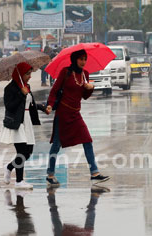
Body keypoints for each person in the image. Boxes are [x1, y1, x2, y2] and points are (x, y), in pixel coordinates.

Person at [45, 49, 109, 187]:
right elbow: (54, 90)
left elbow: (84, 96)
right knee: (56, 145)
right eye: (81, 59)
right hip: (63, 114)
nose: (83, 62)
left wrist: (90, 88)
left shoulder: (85, 75)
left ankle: (94, 173)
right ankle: (50, 174)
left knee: (87, 140)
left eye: (85, 59)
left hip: (76, 114)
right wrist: (50, 105)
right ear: (75, 59)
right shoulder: (66, 72)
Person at [0, 62, 49, 189]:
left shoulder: (27, 86)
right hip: (17, 122)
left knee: (28, 152)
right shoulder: (10, 88)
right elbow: (9, 106)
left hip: (27, 122)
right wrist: (21, 94)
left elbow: (30, 104)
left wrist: (43, 108)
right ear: (20, 74)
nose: (30, 76)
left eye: (30, 73)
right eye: (27, 74)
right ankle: (19, 181)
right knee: (21, 152)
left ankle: (9, 167)